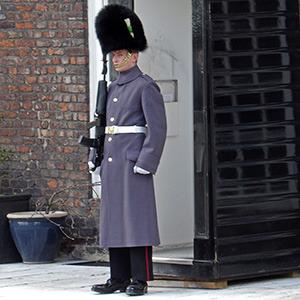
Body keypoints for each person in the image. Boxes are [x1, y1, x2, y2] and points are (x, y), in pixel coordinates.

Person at [90, 4, 167, 296]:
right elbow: (103, 127)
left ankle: (139, 279)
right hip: (113, 161)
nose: (115, 58)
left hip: (133, 161)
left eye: (120, 54)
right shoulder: (112, 88)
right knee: (114, 222)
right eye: (113, 54)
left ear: (133, 55)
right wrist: (94, 158)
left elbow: (156, 128)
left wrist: (147, 160)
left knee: (136, 221)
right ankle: (118, 277)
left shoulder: (145, 86)